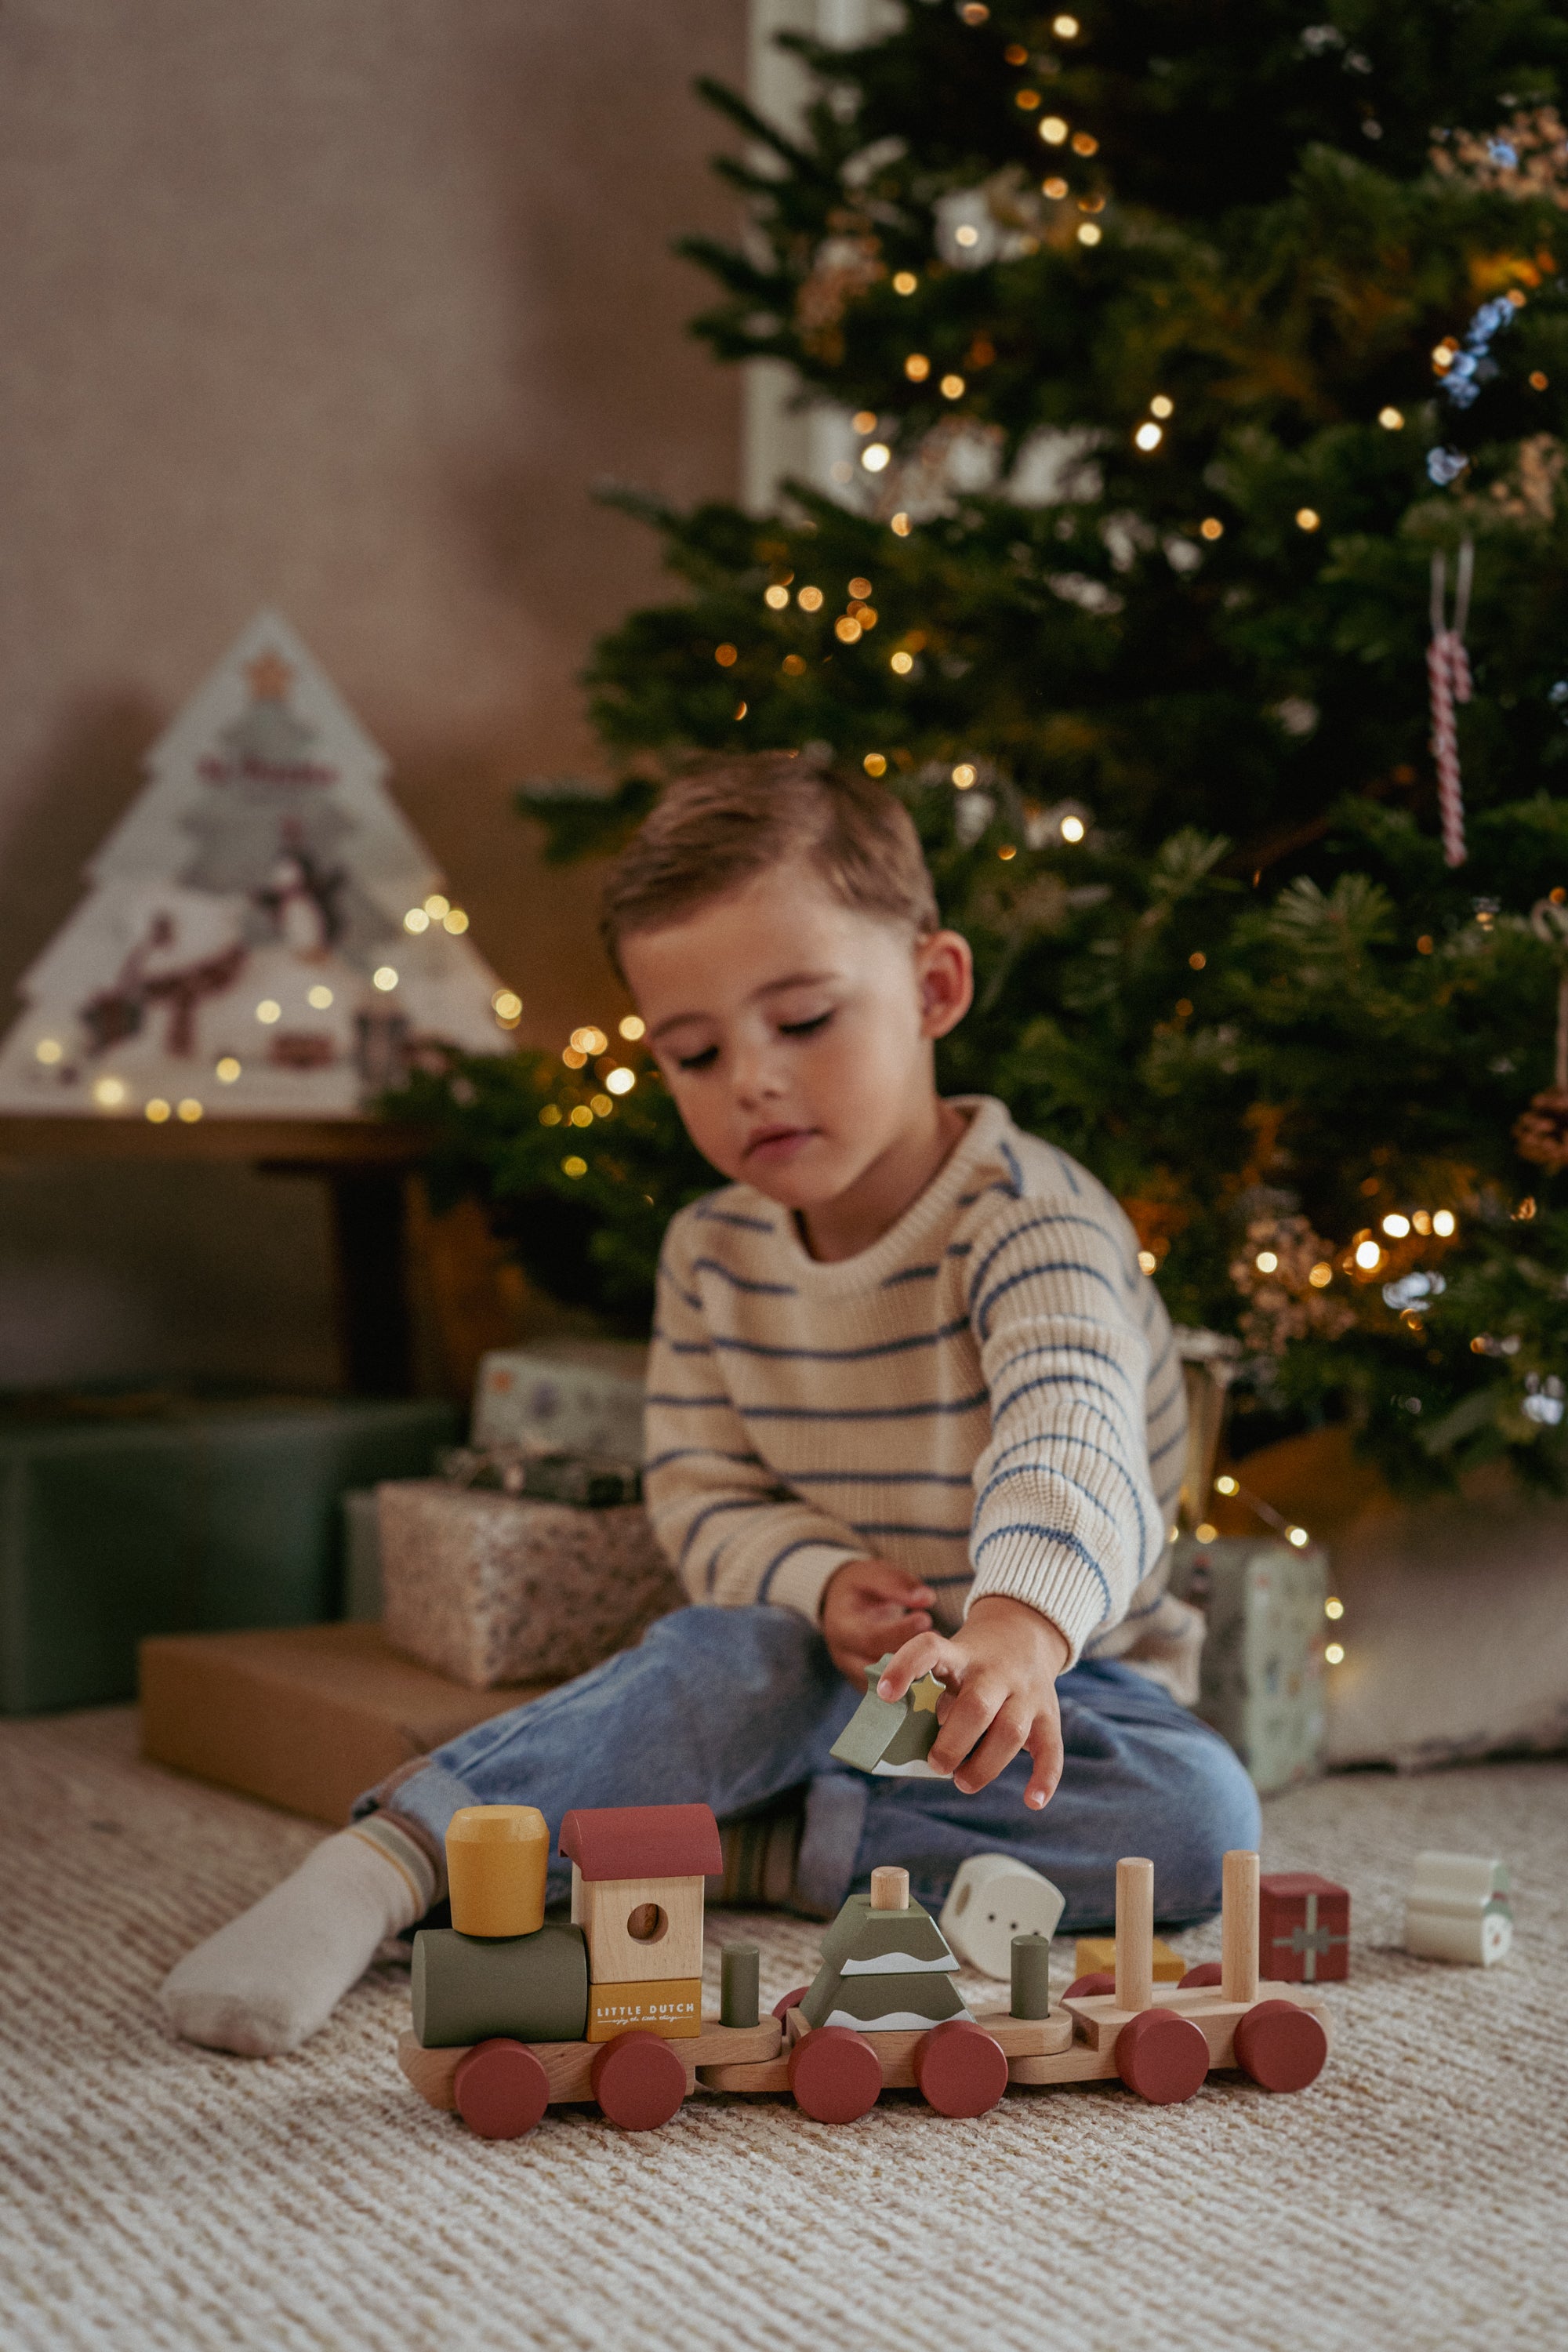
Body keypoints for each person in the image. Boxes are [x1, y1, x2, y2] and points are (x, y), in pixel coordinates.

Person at [162, 755, 1258, 2056]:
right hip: (810, 1666)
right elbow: (700, 1484)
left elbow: (1069, 1423)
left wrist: (1018, 1632)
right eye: (693, 1051)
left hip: (1058, 1684)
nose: (751, 1078)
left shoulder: (1032, 1221)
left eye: (802, 1022)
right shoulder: (712, 1250)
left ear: (934, 987)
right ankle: (390, 1864)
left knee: (1200, 1819)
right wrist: (816, 1578)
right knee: (716, 1664)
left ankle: (741, 1841)